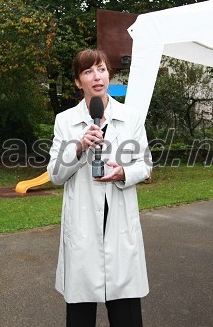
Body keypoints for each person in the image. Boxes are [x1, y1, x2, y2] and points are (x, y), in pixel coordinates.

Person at [47, 49, 152, 326]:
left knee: (126, 311)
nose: (97, 77)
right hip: (83, 226)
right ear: (78, 81)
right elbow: (55, 175)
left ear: (109, 75)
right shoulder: (65, 120)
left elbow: (146, 165)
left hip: (119, 221)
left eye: (102, 69)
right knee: (81, 312)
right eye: (88, 71)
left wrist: (123, 173)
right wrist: (79, 147)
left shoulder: (131, 116)